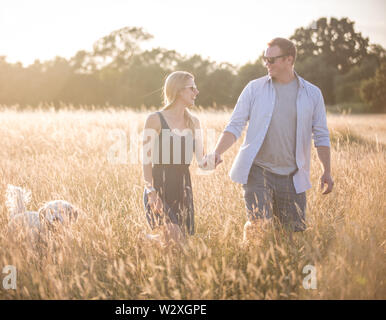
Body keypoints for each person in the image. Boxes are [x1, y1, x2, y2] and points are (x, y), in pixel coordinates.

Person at [207, 38, 334, 244]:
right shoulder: (254, 89)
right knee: (258, 225)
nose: (267, 63)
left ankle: (277, 272)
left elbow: (321, 135)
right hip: (258, 171)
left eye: (272, 59)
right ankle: (251, 265)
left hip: (293, 176)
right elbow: (235, 125)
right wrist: (217, 152)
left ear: (289, 60)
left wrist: (326, 171)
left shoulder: (312, 94)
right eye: (264, 59)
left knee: (287, 237)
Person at [142, 71, 206, 242]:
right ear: (178, 91)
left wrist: (214, 159)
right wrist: (151, 192)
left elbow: (201, 161)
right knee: (178, 241)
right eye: (192, 88)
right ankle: (151, 240)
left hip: (183, 186)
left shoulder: (194, 122)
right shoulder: (154, 119)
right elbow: (146, 160)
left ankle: (149, 241)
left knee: (175, 247)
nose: (196, 92)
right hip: (159, 186)